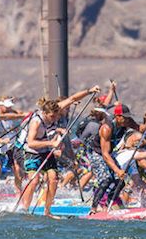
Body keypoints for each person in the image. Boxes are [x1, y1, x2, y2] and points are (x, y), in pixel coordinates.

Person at [17, 86, 99, 217]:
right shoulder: (36, 121)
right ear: (45, 113)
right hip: (31, 151)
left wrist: (90, 91)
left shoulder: (55, 109)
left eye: (56, 115)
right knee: (34, 180)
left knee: (54, 179)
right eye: (52, 116)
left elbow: (72, 98)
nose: (55, 118)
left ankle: (47, 211)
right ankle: (24, 209)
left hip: (45, 151)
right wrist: (52, 143)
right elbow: (31, 142)